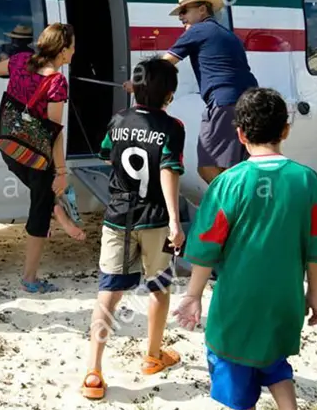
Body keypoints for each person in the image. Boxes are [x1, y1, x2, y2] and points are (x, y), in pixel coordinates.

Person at [174, 87, 317, 410]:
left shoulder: (228, 183)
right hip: (285, 301)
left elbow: (206, 248)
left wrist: (193, 295)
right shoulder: (308, 181)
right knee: (275, 364)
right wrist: (313, 292)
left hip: (237, 306)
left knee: (235, 377)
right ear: (285, 130)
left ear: (239, 134)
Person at [81, 56, 186, 400]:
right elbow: (168, 170)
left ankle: (93, 372)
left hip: (117, 217)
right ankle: (152, 357)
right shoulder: (173, 127)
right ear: (169, 94)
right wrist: (175, 220)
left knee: (108, 293)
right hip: (155, 219)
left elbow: (106, 153)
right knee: (159, 288)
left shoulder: (117, 121)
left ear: (135, 88)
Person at [0, 23, 86, 294]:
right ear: (62, 51)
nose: (74, 52)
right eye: (72, 47)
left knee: (44, 194)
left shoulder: (19, 61)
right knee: (40, 209)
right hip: (36, 156)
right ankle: (30, 278)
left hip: (9, 147)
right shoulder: (57, 82)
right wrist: (61, 171)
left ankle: (57, 209)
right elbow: (54, 133)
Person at [124, 0, 258, 186]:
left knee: (207, 166)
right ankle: (243, 208)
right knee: (235, 167)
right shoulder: (227, 34)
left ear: (203, 9)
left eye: (185, 11)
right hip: (249, 103)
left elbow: (164, 63)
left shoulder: (199, 30)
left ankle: (233, 208)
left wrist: (138, 84)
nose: (181, 17)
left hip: (223, 104)